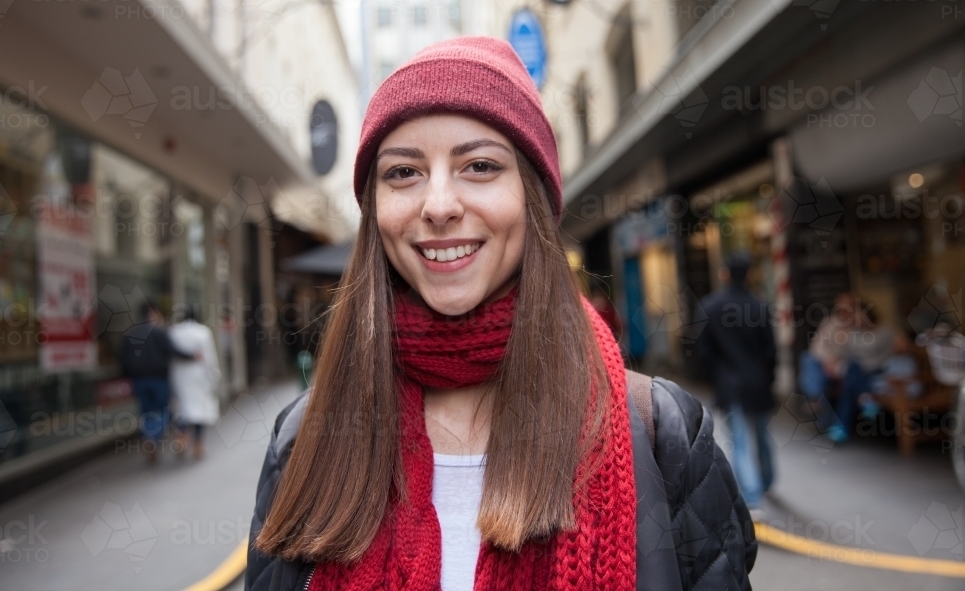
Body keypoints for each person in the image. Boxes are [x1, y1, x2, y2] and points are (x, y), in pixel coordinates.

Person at [246, 37, 755, 591]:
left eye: (480, 165)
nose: (439, 205)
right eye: (403, 173)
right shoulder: (303, 438)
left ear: (531, 196)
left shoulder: (662, 435)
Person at [695, 252, 777, 512]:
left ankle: (752, 496)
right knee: (762, 434)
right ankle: (766, 480)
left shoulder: (710, 306)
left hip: (729, 383)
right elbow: (771, 350)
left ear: (725, 273)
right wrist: (768, 377)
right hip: (759, 382)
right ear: (750, 274)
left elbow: (702, 350)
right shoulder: (760, 305)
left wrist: (715, 376)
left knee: (739, 439)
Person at [120, 302, 194, 464]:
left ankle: (149, 437)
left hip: (139, 381)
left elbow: (123, 361)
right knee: (163, 411)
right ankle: (152, 437)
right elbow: (173, 351)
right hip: (158, 379)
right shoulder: (158, 333)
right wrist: (193, 356)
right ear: (153, 313)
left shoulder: (130, 334)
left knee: (147, 413)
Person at [797, 292, 874, 443]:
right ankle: (815, 398)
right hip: (827, 367)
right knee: (808, 359)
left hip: (849, 368)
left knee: (851, 378)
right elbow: (817, 346)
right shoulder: (831, 323)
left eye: (848, 305)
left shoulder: (859, 324)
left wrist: (858, 325)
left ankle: (823, 409)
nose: (844, 309)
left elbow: (861, 352)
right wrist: (828, 361)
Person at [169, 306, 222, 460]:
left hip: (179, 377)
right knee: (199, 411)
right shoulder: (203, 332)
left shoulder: (175, 331)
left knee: (183, 409)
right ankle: (198, 445)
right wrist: (214, 376)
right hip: (199, 377)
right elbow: (210, 357)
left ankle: (182, 436)